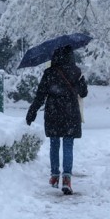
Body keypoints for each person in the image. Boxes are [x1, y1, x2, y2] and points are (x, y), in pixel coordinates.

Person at [26, 45, 88, 195]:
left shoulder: (49, 73)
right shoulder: (77, 72)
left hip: (53, 112)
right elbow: (84, 93)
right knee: (68, 144)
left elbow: (40, 96)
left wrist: (32, 112)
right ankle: (67, 178)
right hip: (70, 112)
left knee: (54, 144)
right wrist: (80, 82)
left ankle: (54, 176)